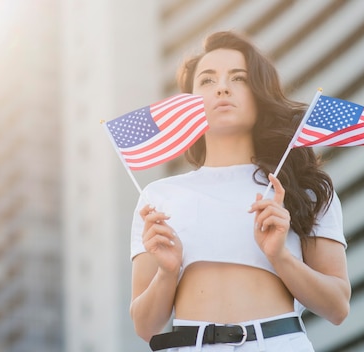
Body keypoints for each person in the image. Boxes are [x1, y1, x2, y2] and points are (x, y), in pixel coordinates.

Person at [129, 31, 350, 352]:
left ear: (259, 94)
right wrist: (168, 270)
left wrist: (280, 256)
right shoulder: (159, 196)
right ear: (189, 103)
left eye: (239, 78)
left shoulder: (299, 188)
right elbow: (144, 325)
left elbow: (338, 307)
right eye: (206, 81)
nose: (222, 87)